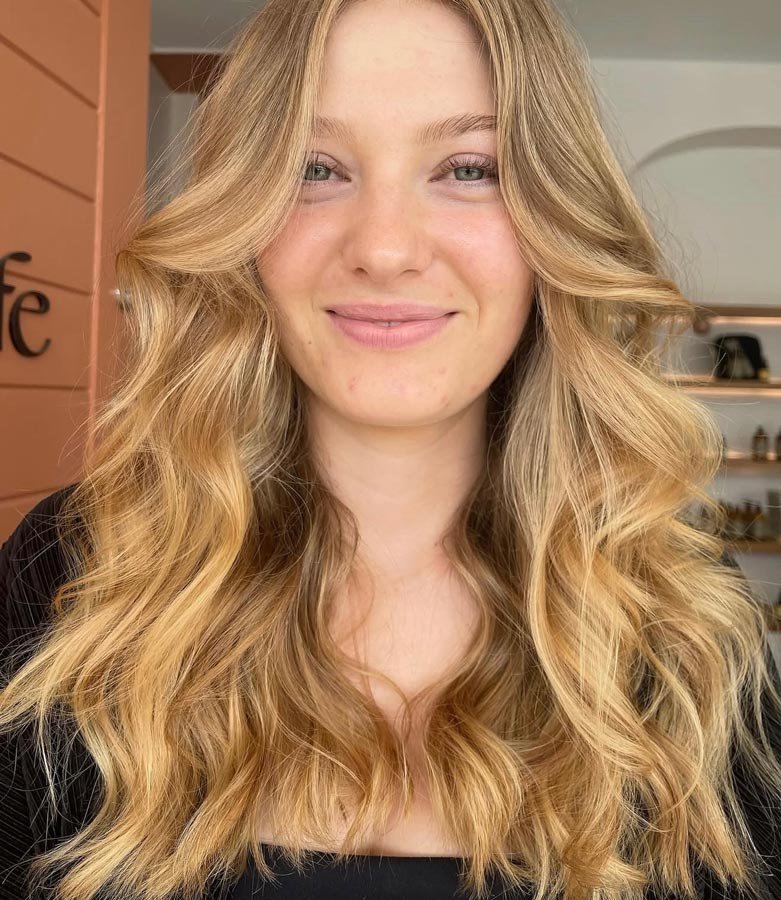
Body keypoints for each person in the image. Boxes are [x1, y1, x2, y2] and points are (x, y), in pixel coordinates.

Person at [2, 0, 781, 899]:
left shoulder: (682, 617)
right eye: (315, 168)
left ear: (556, 225)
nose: (382, 247)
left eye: (467, 169)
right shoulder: (78, 575)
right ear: (242, 221)